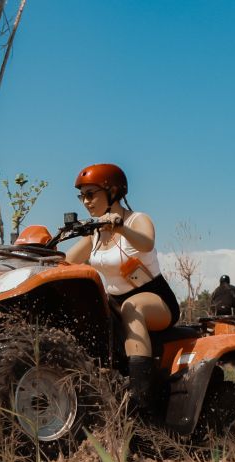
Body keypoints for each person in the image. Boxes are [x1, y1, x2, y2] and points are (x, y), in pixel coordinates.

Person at [64, 163, 180, 411]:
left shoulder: (138, 220)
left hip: (154, 299)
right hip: (115, 301)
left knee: (132, 307)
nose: (85, 201)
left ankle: (141, 400)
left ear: (113, 191)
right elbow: (68, 261)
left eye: (91, 194)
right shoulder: (95, 232)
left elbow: (147, 243)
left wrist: (121, 228)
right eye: (82, 196)